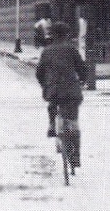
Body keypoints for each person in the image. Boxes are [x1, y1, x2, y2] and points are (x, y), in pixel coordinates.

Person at [34, 21, 87, 164]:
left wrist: (44, 85)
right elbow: (82, 68)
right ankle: (75, 156)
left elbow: (39, 73)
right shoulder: (72, 50)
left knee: (52, 104)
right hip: (71, 91)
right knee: (73, 120)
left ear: (52, 35)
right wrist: (82, 80)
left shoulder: (47, 51)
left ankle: (52, 124)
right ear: (67, 35)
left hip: (54, 90)